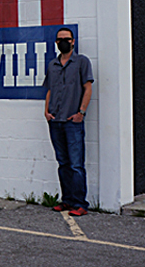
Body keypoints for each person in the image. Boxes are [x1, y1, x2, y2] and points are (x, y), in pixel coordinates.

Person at [45, 27, 94, 216]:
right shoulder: (52, 65)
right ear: (56, 43)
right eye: (59, 39)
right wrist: (46, 111)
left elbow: (87, 88)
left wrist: (81, 112)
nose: (63, 42)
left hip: (72, 121)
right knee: (63, 163)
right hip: (55, 121)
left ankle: (80, 203)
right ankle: (66, 200)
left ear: (73, 41)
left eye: (66, 38)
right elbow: (49, 89)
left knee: (76, 164)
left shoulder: (82, 62)